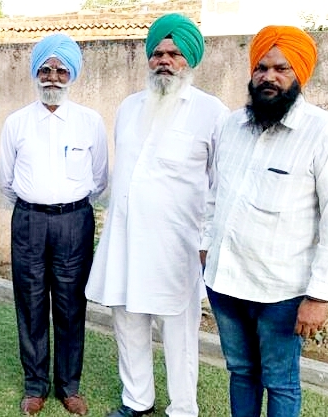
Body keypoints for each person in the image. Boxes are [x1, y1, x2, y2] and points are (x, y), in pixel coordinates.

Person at [85, 13, 228, 417]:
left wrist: (207, 242)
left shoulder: (212, 112)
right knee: (128, 322)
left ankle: (183, 408)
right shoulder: (129, 107)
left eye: (175, 54)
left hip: (177, 246)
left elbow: (220, 185)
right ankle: (137, 401)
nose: (165, 60)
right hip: (125, 239)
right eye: (158, 53)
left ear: (190, 60)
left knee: (178, 333)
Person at [202, 25, 328, 417]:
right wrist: (206, 246)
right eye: (261, 67)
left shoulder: (320, 132)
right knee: (241, 371)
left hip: (282, 292)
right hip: (225, 283)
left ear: (299, 73)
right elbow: (214, 193)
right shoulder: (232, 125)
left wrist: (320, 296)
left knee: (280, 381)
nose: (269, 77)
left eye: (281, 68)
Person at [0, 33, 107, 416]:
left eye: (61, 70)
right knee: (30, 303)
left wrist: (67, 205)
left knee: (70, 304)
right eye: (45, 69)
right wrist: (37, 204)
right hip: (29, 220)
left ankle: (69, 386)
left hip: (75, 222)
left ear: (72, 74)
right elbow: (6, 181)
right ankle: (35, 386)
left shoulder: (90, 122)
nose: (53, 77)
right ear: (36, 73)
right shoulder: (16, 123)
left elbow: (99, 179)